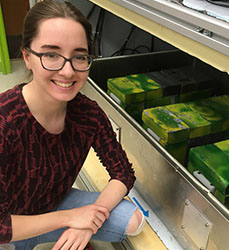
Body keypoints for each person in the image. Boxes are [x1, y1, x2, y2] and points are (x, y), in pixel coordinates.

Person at [0, 1, 145, 249]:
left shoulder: (88, 114)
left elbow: (123, 173)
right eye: (51, 55)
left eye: (79, 56)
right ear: (27, 57)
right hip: (11, 221)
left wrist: (89, 220)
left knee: (134, 221)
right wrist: (71, 218)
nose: (67, 72)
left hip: (54, 201)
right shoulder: (5, 121)